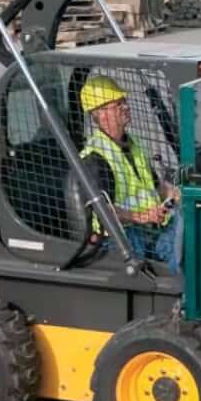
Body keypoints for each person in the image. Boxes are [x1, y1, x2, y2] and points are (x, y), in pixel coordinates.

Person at [79, 75, 182, 274]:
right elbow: (102, 210)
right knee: (179, 252)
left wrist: (175, 193)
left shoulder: (133, 144)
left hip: (151, 228)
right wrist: (140, 216)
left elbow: (156, 186)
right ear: (101, 114)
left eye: (124, 101)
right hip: (120, 238)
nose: (126, 107)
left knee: (188, 228)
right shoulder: (94, 157)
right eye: (118, 104)